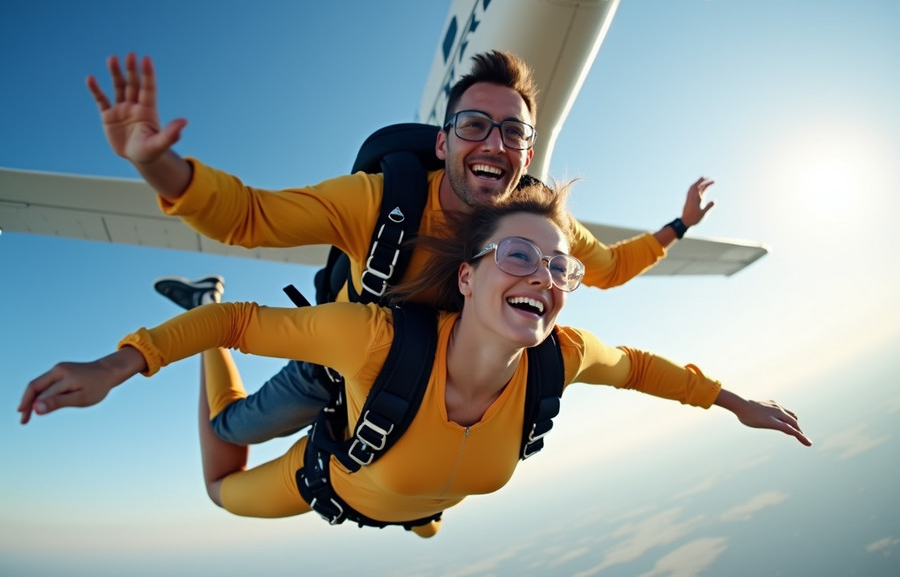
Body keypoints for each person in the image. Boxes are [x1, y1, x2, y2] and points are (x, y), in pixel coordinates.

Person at [18, 184, 810, 539]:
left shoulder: (561, 356)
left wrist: (735, 402)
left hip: (407, 502)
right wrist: (119, 365)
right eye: (518, 255)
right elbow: (242, 322)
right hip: (322, 481)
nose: (543, 275)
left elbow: (644, 368)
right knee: (223, 481)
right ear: (467, 276)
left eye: (559, 267)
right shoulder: (374, 338)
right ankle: (192, 292)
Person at [85, 50, 716, 445]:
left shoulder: (538, 224)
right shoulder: (377, 200)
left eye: (514, 133)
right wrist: (159, 166)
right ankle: (205, 299)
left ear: (528, 155)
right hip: (337, 361)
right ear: (443, 145)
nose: (493, 143)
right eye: (474, 126)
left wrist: (678, 226)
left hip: (424, 385)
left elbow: (609, 269)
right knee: (234, 429)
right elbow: (251, 217)